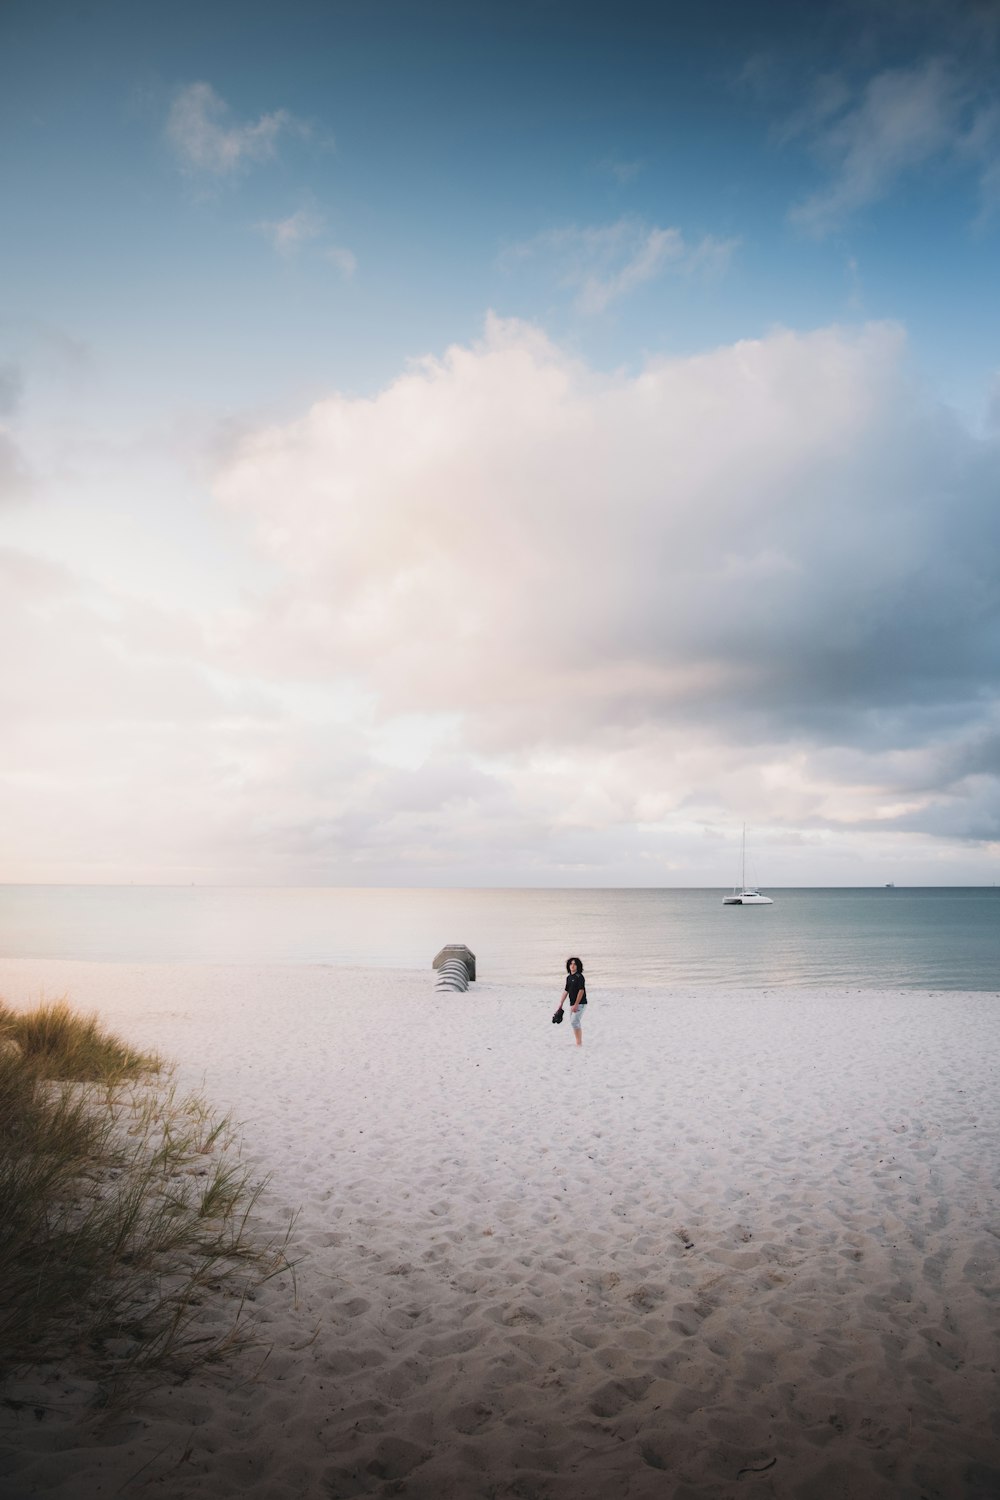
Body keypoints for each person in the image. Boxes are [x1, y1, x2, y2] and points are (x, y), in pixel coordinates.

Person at [559, 956, 587, 1047]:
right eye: (571, 964)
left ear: (578, 966)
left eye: (575, 964)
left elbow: (581, 990)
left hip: (580, 1003)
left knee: (574, 1022)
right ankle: (578, 1042)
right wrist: (561, 1003)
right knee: (574, 1022)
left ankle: (579, 1043)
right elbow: (566, 991)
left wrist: (576, 1004)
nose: (572, 965)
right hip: (572, 1004)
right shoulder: (569, 978)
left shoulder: (580, 977)